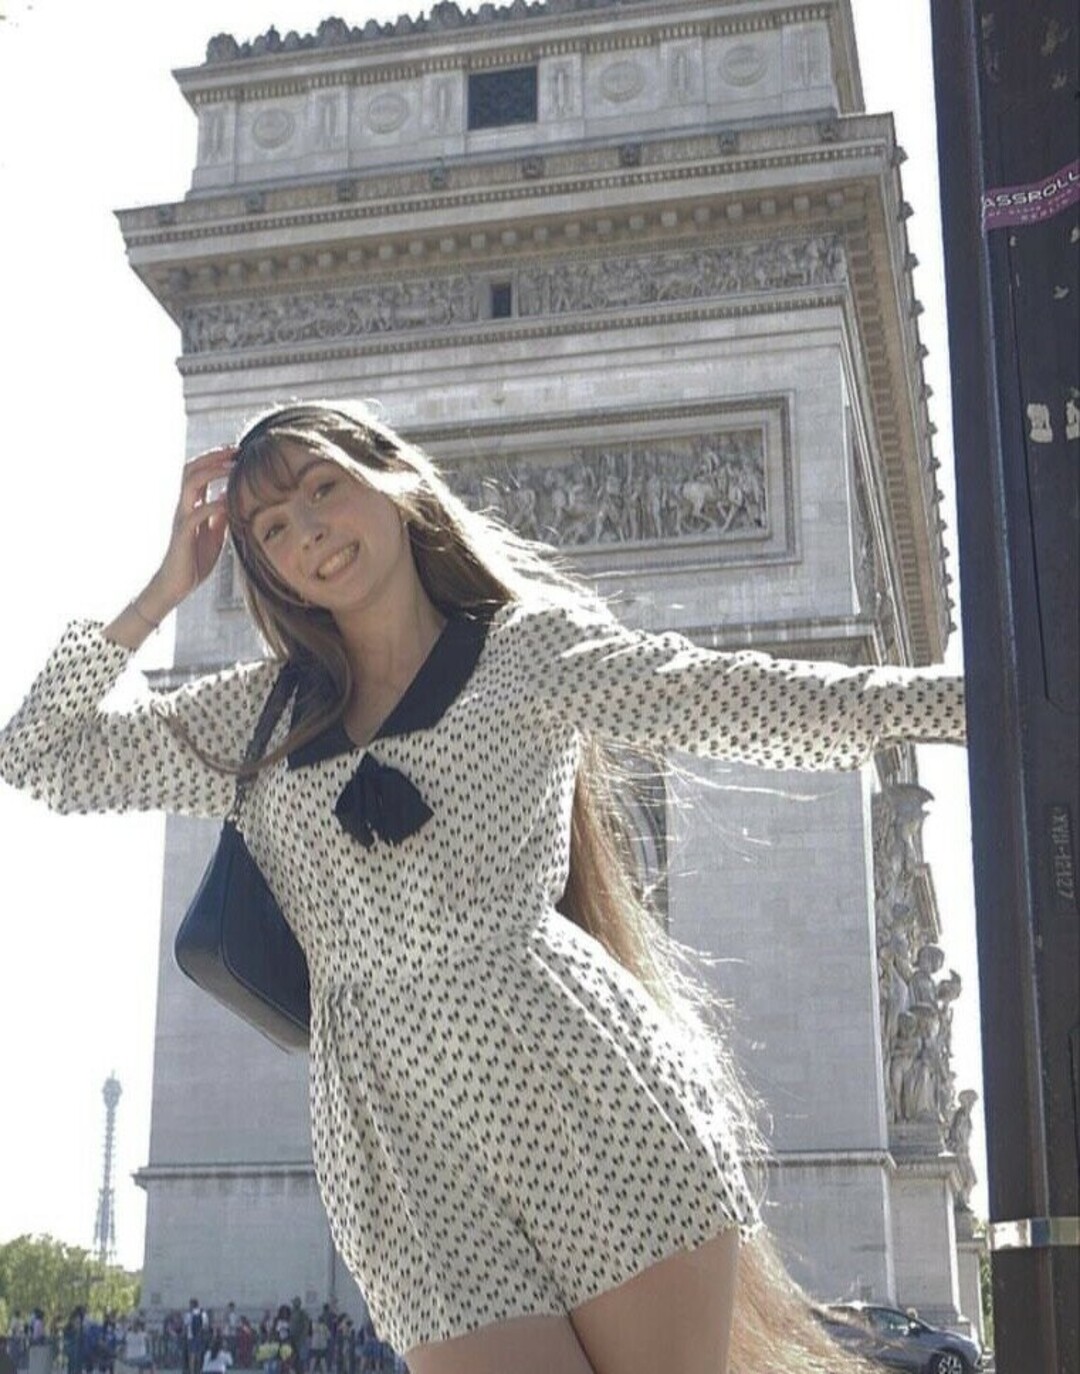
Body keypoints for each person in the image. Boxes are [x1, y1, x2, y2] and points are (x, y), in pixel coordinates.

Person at [0, 401, 966, 1374]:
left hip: (592, 1106)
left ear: (395, 480)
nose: (309, 533)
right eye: (272, 530)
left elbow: (743, 701)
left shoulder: (527, 651)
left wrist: (971, 704)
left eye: (324, 488)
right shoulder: (257, 719)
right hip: (399, 1158)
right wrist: (164, 590)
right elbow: (38, 758)